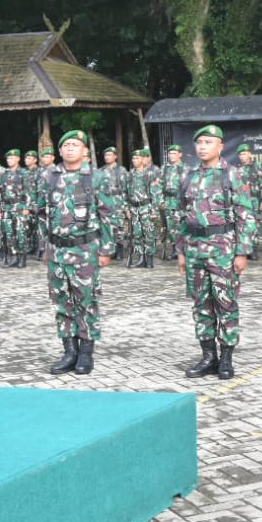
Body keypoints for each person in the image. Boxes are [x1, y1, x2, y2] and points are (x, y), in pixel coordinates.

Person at [177, 126, 257, 380]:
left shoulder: (231, 175)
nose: (202, 146)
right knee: (201, 304)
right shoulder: (188, 176)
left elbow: (246, 216)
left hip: (222, 248)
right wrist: (181, 250)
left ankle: (226, 358)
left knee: (225, 302)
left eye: (208, 142)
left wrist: (242, 251)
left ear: (220, 146)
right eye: (199, 142)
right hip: (194, 250)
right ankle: (208, 356)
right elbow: (181, 215)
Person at [38, 130, 116, 375]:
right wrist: (44, 247)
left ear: (85, 151)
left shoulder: (96, 177)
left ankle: (85, 352)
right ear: (60, 151)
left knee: (86, 301)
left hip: (85, 250)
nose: (70, 148)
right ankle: (68, 350)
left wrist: (106, 249)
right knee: (62, 302)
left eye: (75, 145)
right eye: (66, 145)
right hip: (57, 250)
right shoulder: (49, 176)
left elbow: (108, 215)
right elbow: (42, 214)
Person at [124, 148, 161, 268]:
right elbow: (125, 193)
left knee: (149, 233)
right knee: (136, 234)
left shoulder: (149, 174)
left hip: (146, 207)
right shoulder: (129, 175)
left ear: (143, 159)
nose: (135, 160)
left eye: (137, 158)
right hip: (134, 208)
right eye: (133, 158)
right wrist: (126, 208)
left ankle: (149, 259)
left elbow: (156, 194)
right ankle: (141, 258)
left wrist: (154, 211)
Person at [158, 143, 187, 262]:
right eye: (170, 153)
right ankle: (175, 249)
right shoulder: (164, 168)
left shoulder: (185, 168)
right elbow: (159, 185)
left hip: (180, 202)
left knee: (181, 227)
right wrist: (161, 201)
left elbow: (188, 187)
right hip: (168, 201)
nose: (171, 155)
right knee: (170, 228)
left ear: (180, 154)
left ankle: (183, 250)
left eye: (174, 153)